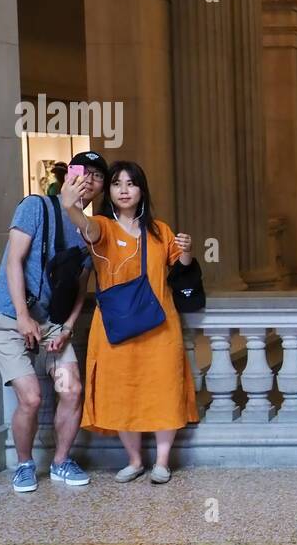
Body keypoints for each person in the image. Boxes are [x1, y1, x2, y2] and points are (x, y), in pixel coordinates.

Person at [58, 161, 199, 484]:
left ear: (141, 190)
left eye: (131, 183)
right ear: (108, 191)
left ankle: (162, 462)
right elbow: (86, 227)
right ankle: (135, 460)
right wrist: (70, 207)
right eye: (117, 183)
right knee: (119, 389)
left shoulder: (159, 230)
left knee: (165, 387)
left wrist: (187, 251)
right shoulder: (103, 227)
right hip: (115, 328)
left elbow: (182, 269)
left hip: (160, 325)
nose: (124, 189)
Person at [0, 150, 107, 493]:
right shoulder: (35, 207)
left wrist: (67, 327)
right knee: (32, 398)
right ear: (70, 173)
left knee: (72, 389)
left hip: (53, 323)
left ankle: (61, 462)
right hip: (8, 317)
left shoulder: (87, 230)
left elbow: (82, 285)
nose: (89, 180)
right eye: (85, 171)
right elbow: (13, 262)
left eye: (98, 177)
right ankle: (24, 464)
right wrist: (23, 317)